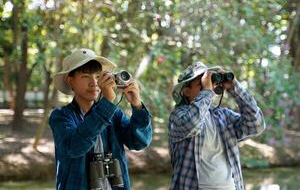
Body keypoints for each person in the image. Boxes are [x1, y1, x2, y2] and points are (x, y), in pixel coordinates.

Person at [49, 48, 152, 190]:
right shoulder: (61, 116)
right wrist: (107, 102)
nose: (94, 83)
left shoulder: (114, 114)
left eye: (98, 76)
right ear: (70, 81)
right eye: (85, 76)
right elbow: (73, 147)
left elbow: (139, 142)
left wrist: (137, 106)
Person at [168, 61, 265, 190]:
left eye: (207, 83)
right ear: (186, 91)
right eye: (200, 84)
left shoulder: (222, 115)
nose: (206, 86)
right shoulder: (178, 116)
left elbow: (256, 125)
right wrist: (207, 92)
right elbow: (192, 124)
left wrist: (234, 87)